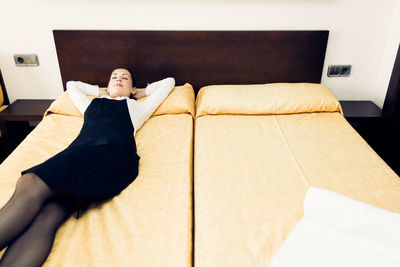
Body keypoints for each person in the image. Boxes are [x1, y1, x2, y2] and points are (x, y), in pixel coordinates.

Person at [0, 68, 175, 266]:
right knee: (48, 214)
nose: (119, 80)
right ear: (106, 86)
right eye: (114, 78)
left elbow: (169, 82)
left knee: (29, 182)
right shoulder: (90, 104)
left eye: (124, 78)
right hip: (84, 153)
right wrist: (105, 92)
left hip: (110, 152)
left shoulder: (137, 107)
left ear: (133, 88)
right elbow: (72, 86)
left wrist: (138, 93)